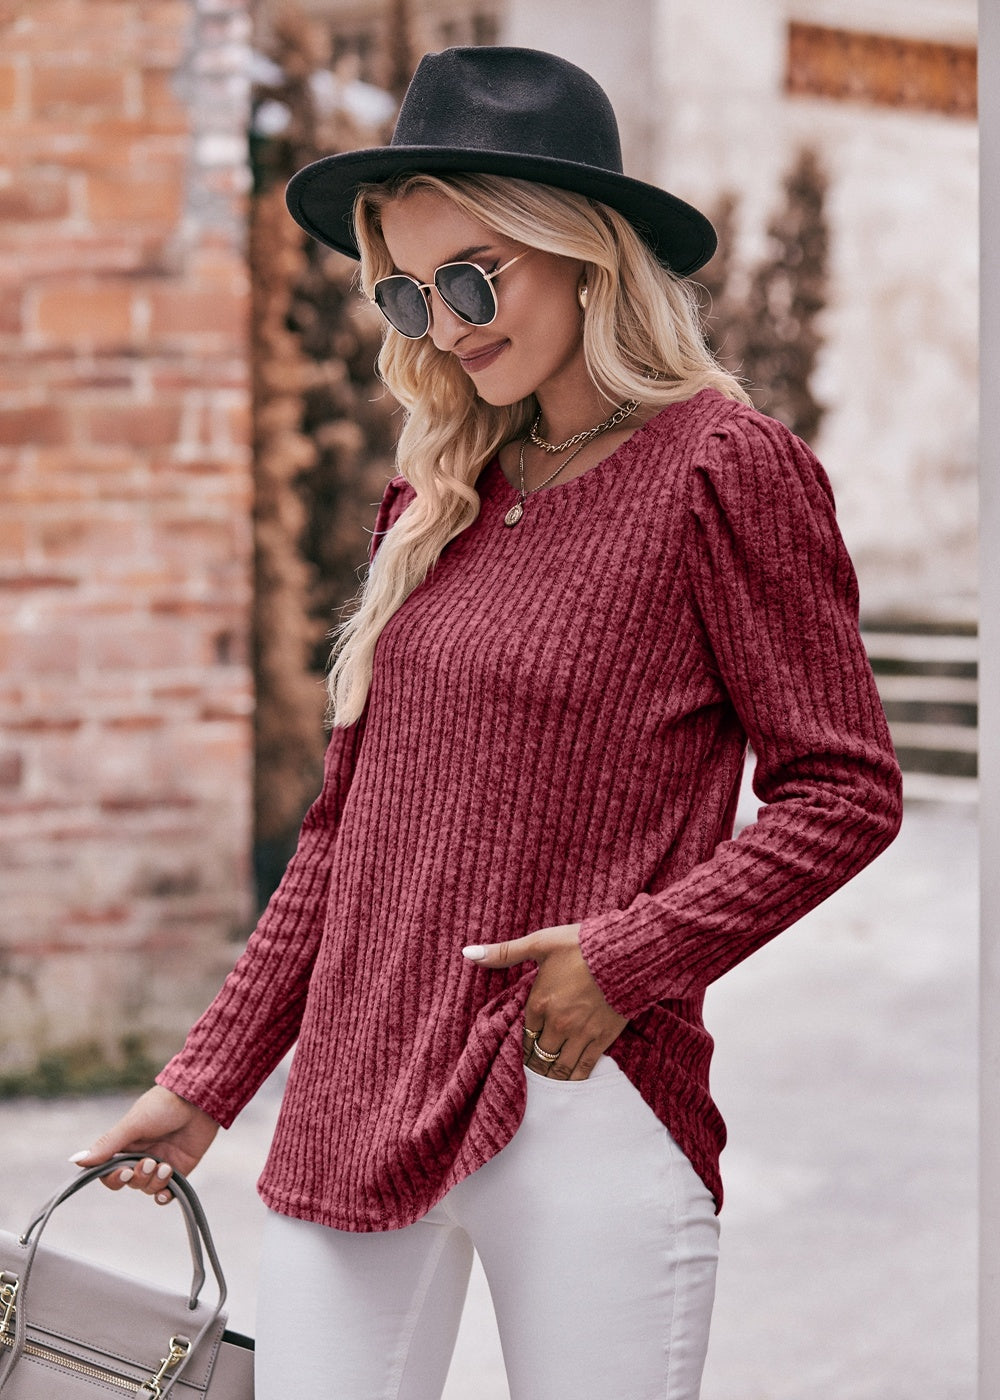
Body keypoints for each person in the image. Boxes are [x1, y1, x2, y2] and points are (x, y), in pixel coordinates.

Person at [71, 46, 903, 1400]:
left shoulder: (722, 470)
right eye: (407, 288)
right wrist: (211, 1078)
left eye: (473, 278)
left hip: (581, 1088)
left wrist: (625, 958)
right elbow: (344, 836)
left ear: (582, 255)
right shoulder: (440, 499)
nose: (444, 325)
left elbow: (845, 790)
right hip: (353, 1094)